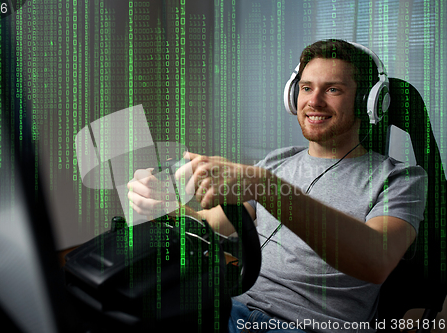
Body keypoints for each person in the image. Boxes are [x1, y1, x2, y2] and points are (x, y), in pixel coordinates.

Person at [127, 40, 427, 333]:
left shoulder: (401, 179)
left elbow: (376, 260)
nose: (314, 101)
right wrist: (165, 207)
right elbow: (216, 225)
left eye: (333, 89)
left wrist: (265, 186)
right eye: (307, 88)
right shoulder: (279, 160)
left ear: (367, 100)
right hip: (234, 309)